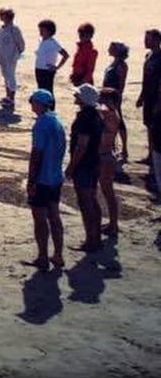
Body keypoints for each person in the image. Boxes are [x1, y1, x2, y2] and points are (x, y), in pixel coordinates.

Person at [25, 88, 67, 269]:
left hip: (43, 178)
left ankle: (42, 256)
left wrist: (31, 180)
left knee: (40, 218)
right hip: (56, 176)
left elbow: (37, 154)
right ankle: (58, 254)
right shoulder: (57, 121)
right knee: (55, 216)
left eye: (33, 101)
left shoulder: (41, 124)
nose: (31, 105)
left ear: (40, 104)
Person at [68, 83, 104, 253]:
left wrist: (71, 166)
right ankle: (95, 236)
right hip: (94, 161)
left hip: (84, 164)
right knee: (92, 199)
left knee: (85, 202)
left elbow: (81, 145)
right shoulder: (97, 116)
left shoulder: (84, 118)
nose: (75, 97)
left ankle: (91, 239)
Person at [97, 86, 121, 237]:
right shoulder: (110, 113)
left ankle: (113, 225)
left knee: (108, 192)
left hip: (105, 156)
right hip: (105, 155)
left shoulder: (109, 114)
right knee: (107, 192)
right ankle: (112, 223)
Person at [104, 42, 131, 160]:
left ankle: (124, 149)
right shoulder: (114, 62)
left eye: (112, 48)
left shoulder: (121, 65)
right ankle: (113, 146)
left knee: (119, 122)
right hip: (107, 95)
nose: (109, 49)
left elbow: (121, 83)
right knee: (110, 121)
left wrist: (118, 97)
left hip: (114, 96)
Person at [142, 29, 161, 193]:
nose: (145, 41)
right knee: (148, 125)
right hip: (148, 97)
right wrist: (141, 96)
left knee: (155, 127)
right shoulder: (148, 56)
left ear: (156, 40)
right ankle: (150, 154)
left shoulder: (160, 58)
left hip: (156, 98)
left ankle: (155, 153)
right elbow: (145, 77)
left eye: (148, 39)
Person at [0, 7, 26, 107]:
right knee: (5, 77)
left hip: (11, 57)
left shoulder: (14, 29)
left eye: (3, 15)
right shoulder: (1, 28)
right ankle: (7, 96)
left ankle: (12, 98)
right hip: (2, 56)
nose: (1, 17)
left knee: (11, 77)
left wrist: (16, 54)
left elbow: (21, 44)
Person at [34, 20, 69, 95]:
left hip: (47, 71)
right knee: (40, 90)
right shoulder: (41, 41)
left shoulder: (53, 43)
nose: (40, 32)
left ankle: (50, 106)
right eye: (40, 30)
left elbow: (65, 55)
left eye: (43, 30)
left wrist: (57, 67)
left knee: (48, 91)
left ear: (49, 31)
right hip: (39, 69)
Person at [70, 23, 98, 87]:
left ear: (91, 36)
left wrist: (84, 81)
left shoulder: (92, 51)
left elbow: (90, 69)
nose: (81, 37)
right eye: (80, 34)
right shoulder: (80, 48)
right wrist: (73, 74)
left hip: (84, 79)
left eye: (84, 35)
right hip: (77, 78)